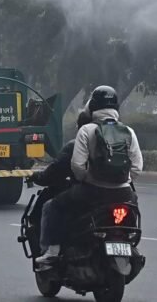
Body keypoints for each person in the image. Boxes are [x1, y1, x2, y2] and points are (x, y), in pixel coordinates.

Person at [35, 86, 143, 267]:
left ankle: (52, 252)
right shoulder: (129, 132)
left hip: (93, 192)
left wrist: (88, 179)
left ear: (92, 107)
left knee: (52, 206)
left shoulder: (86, 130)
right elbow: (137, 168)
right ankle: (130, 243)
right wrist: (124, 181)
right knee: (133, 206)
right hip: (124, 193)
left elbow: (77, 166)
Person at [28, 110, 92, 236]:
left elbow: (55, 171)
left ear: (79, 127)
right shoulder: (118, 140)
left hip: (88, 192)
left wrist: (37, 176)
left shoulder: (76, 146)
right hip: (122, 193)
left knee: (49, 206)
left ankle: (50, 245)